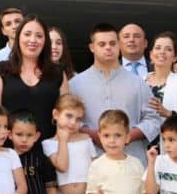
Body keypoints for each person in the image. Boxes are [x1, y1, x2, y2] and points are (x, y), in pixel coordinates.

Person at [69, 24, 161, 162]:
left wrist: (128, 135)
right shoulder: (75, 84)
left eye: (112, 43)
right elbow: (68, 120)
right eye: (102, 44)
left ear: (119, 45)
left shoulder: (138, 83)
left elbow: (153, 119)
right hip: (90, 162)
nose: (108, 48)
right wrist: (93, 135)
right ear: (92, 47)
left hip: (132, 161)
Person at [0, 14, 68, 140]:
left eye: (39, 36)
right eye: (27, 34)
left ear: (45, 41)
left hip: (50, 151)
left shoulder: (57, 73)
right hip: (10, 151)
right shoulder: (0, 70)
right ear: (18, 37)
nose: (33, 40)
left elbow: (66, 115)